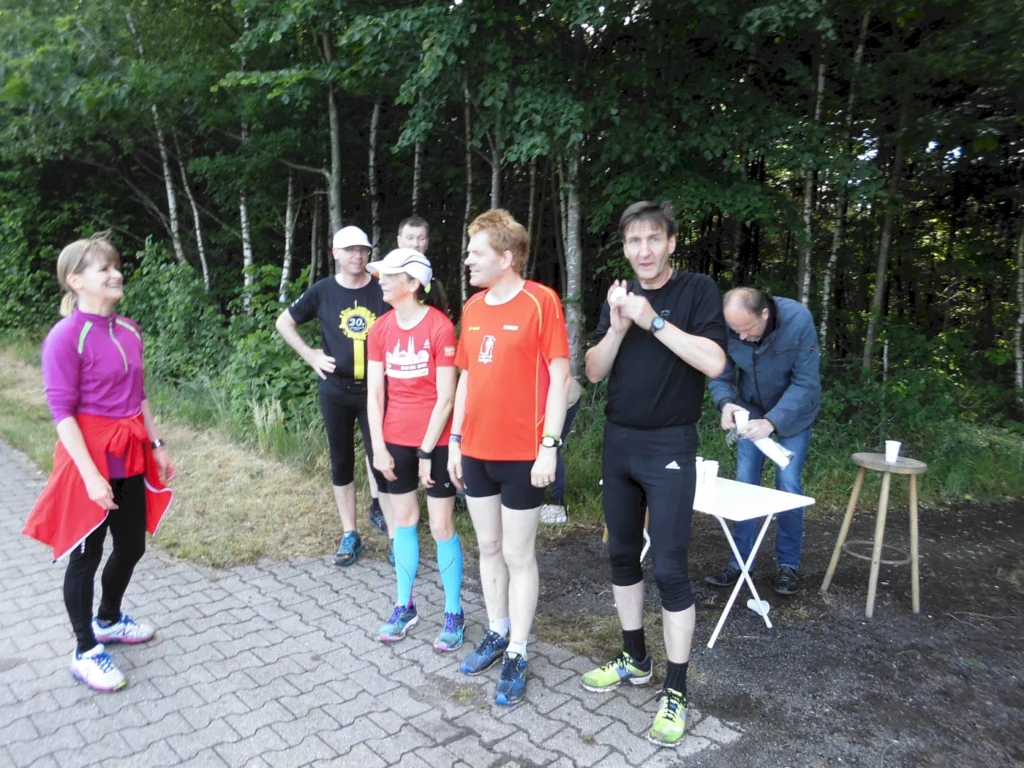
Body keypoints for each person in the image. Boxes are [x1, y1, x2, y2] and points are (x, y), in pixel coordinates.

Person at [582, 201, 727, 748]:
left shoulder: (697, 291)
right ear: (624, 248)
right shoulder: (618, 294)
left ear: (670, 242)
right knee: (621, 555)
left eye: (653, 240)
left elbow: (713, 362)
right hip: (618, 441)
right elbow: (594, 373)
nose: (643, 250)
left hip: (669, 443)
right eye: (633, 241)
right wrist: (620, 326)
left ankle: (676, 687)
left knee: (669, 567)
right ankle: (634, 656)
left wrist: (654, 320)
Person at [23, 233, 176, 692]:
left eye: (115, 266)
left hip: (128, 452)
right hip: (86, 459)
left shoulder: (128, 329)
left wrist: (157, 445)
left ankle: (108, 618)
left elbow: (140, 395)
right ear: (75, 281)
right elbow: (61, 412)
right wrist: (90, 476)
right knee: (85, 560)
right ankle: (86, 649)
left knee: (131, 546)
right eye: (102, 268)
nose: (115, 273)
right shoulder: (65, 337)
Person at [447, 209, 570, 707]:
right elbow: (468, 377)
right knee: (489, 548)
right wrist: (454, 441)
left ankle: (519, 650)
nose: (467, 261)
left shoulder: (542, 302)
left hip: (525, 453)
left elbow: (560, 378)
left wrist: (550, 447)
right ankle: (497, 632)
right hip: (476, 451)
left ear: (506, 256)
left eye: (475, 253)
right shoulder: (474, 307)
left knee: (520, 555)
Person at [365, 248, 465, 651]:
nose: (381, 281)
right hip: (393, 440)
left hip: (436, 443)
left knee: (441, 526)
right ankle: (404, 605)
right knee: (402, 521)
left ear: (412, 283)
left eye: (389, 275)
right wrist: (378, 446)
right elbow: (374, 394)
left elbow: (447, 398)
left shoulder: (440, 327)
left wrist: (426, 452)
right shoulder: (380, 328)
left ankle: (454, 611)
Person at [275, 225, 390, 567]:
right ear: (336, 254)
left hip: (375, 388)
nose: (358, 255)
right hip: (335, 388)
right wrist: (310, 355)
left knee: (383, 461)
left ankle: (397, 536)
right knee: (341, 461)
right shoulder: (323, 291)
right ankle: (350, 533)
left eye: (363, 250)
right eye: (351, 250)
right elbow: (284, 322)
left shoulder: (382, 288)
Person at [705, 287, 821, 596]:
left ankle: (788, 566)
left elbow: (806, 382)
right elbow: (719, 373)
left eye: (747, 330)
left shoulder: (797, 321)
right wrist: (725, 402)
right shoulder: (727, 324)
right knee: (745, 483)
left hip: (794, 413)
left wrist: (772, 422)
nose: (740, 338)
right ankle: (741, 562)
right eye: (735, 331)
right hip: (750, 407)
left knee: (788, 484)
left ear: (765, 315)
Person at [539, 375, 584, 524]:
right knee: (543, 449)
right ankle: (540, 502)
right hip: (558, 393)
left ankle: (556, 507)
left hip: (564, 396)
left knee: (552, 449)